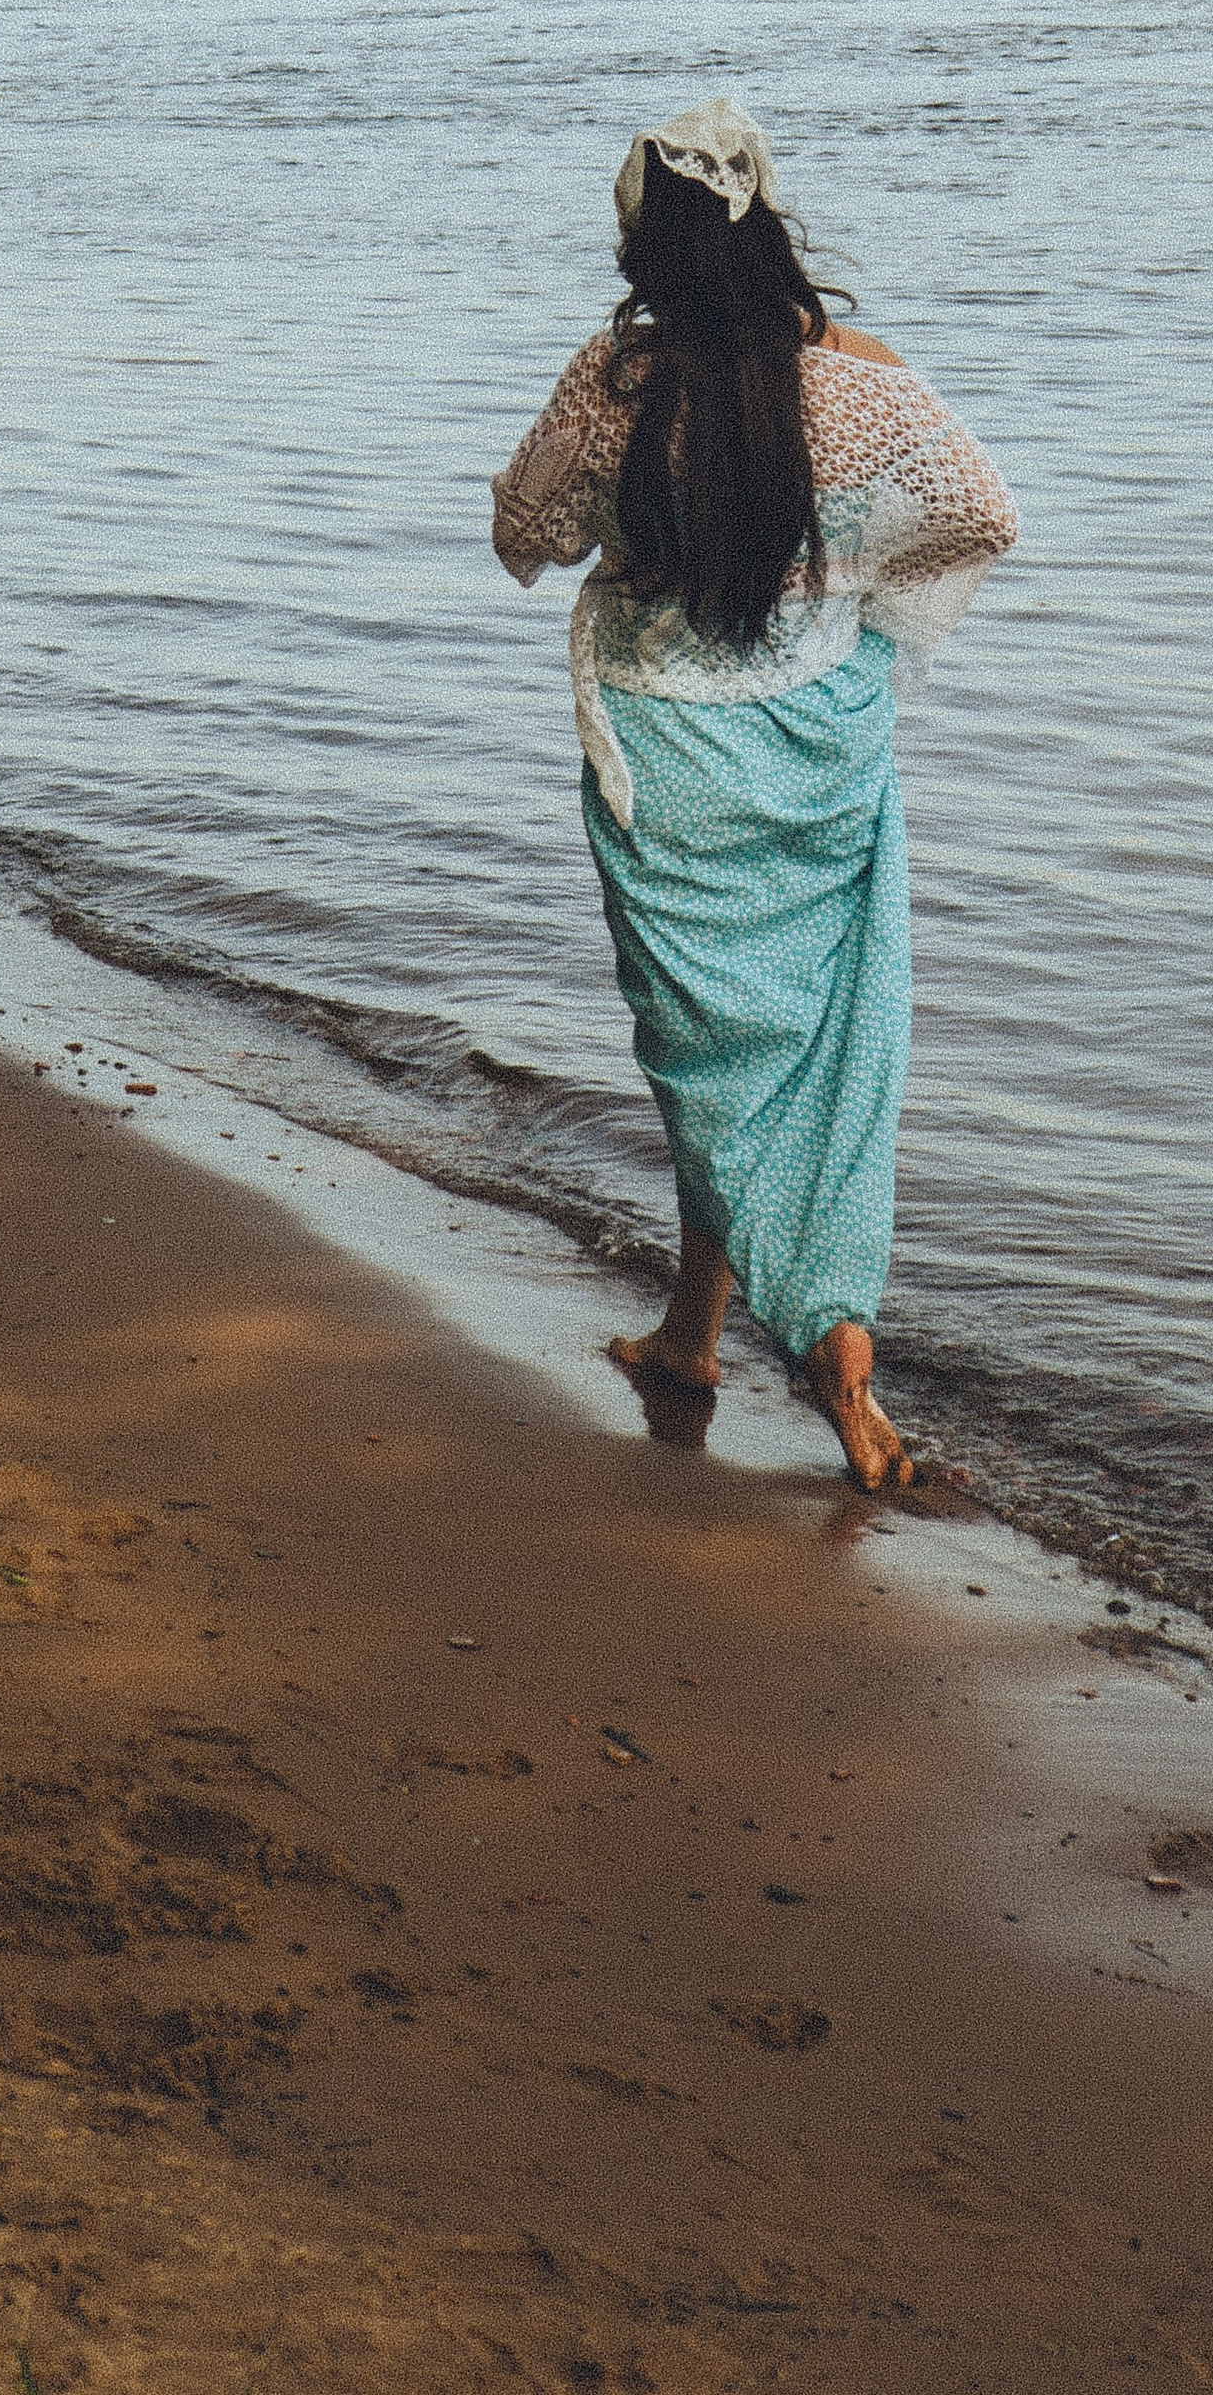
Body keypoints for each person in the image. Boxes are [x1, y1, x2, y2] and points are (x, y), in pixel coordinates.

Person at [492, 98, 1016, 1486]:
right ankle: (705, 1333)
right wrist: (844, 574)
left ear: (643, 243)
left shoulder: (612, 383)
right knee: (832, 1053)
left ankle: (808, 1345)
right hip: (823, 756)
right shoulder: (858, 378)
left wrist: (625, 534)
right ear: (764, 221)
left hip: (669, 762)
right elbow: (984, 515)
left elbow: (519, 537)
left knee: (710, 1062)